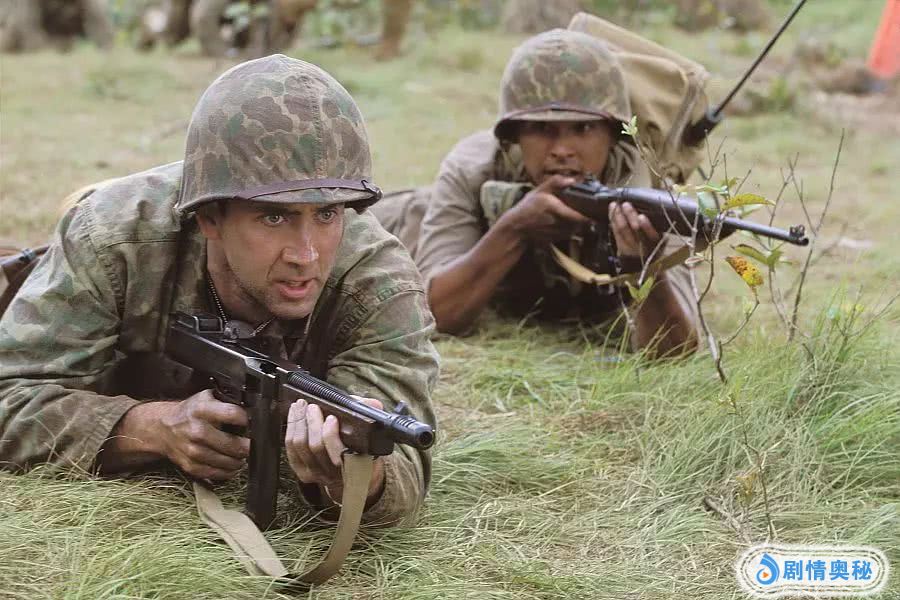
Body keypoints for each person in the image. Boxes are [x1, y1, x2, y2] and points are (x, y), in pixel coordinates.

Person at [0, 54, 438, 527]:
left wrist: (356, 480)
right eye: (275, 217)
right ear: (209, 218)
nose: (306, 254)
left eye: (327, 214)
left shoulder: (378, 284)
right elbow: (10, 398)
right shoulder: (112, 239)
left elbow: (404, 472)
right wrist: (150, 428)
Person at [373, 29, 699, 357]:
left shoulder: (645, 189)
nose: (562, 150)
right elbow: (437, 317)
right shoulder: (474, 171)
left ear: (613, 135)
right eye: (542, 129)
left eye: (583, 128)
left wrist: (645, 266)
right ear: (515, 136)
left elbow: (676, 351)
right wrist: (512, 230)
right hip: (407, 222)